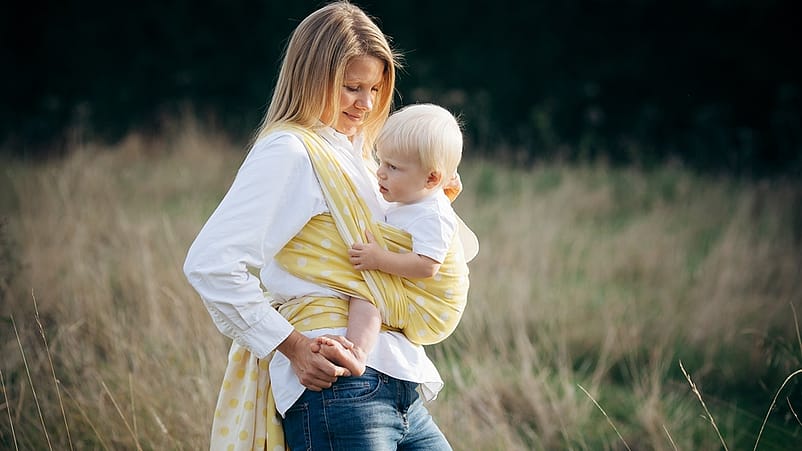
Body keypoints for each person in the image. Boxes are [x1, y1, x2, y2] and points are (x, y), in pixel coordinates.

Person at [183, 2, 474, 450]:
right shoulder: (289, 151)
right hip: (336, 385)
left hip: (399, 381)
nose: (367, 103)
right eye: (352, 87)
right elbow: (210, 264)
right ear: (312, 79)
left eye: (375, 88)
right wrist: (293, 346)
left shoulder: (357, 153)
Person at [312, 103, 467, 377]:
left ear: (432, 178)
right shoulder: (411, 196)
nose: (380, 172)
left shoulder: (434, 214)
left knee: (367, 293)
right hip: (413, 289)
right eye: (381, 161)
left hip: (429, 308)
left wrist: (379, 259)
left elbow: (427, 266)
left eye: (393, 167)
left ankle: (357, 353)